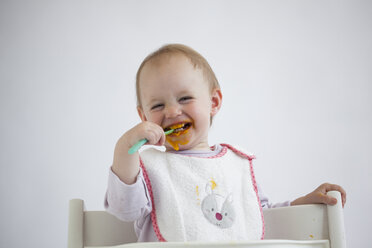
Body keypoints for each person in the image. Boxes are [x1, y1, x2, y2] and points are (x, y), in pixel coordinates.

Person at [105, 44, 346, 242]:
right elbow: (124, 210)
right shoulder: (146, 168)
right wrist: (125, 146)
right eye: (157, 105)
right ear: (144, 117)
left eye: (185, 98)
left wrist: (305, 204)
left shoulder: (235, 164)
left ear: (214, 102)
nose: (171, 111)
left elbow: (259, 216)